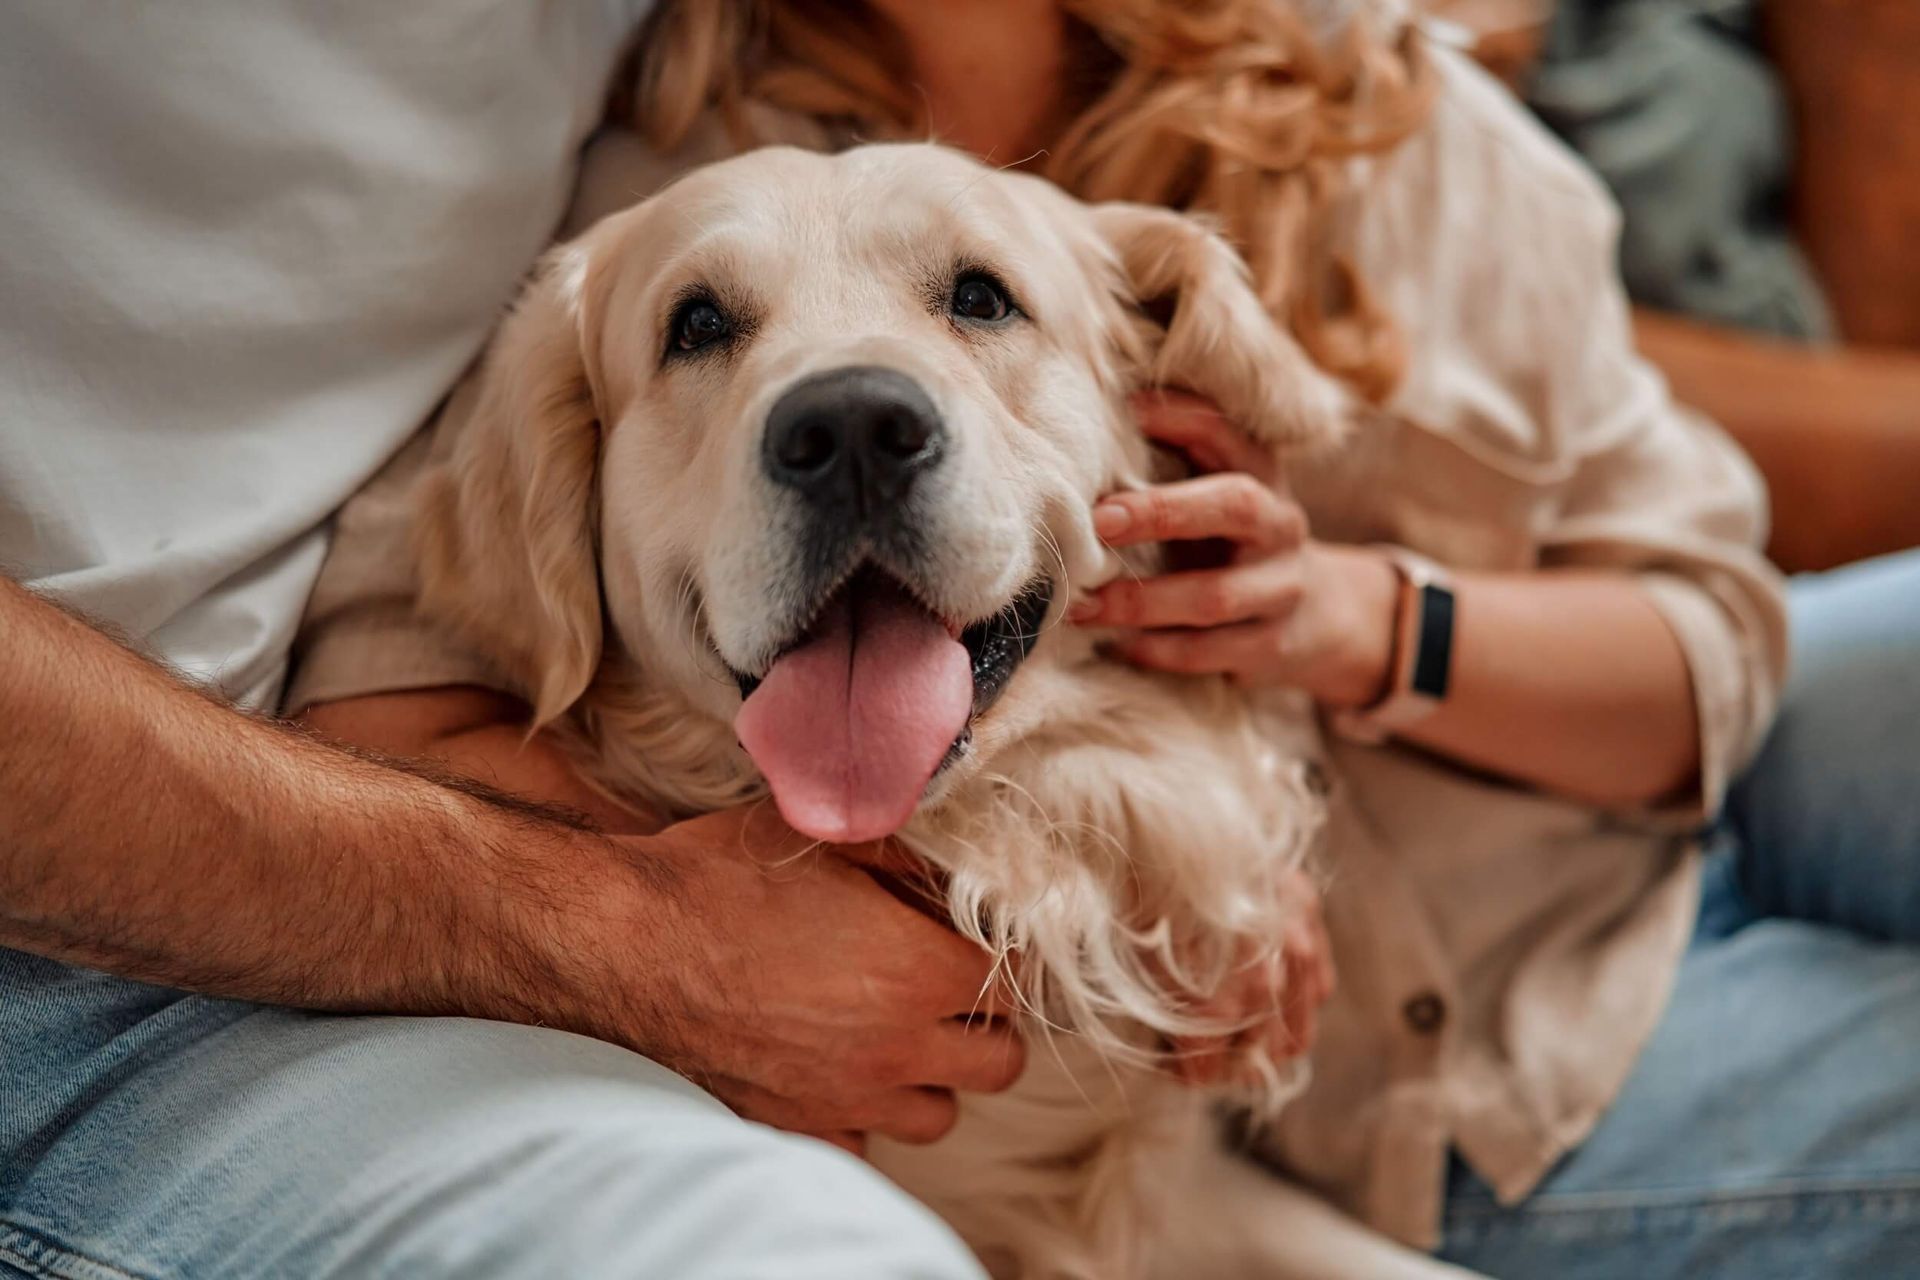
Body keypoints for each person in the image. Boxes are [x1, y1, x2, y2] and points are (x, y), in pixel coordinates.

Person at [291, 0, 1920, 1276]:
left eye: (977, 304)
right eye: (713, 332)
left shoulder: (1396, 118)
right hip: (1473, 1077)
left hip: (1677, 815)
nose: (853, 402)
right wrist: (675, 907)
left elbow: (1714, 644)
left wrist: (1351, 622)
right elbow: (390, 699)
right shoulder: (629, 162)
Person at [0, 6, 1012, 1278]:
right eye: (707, 328)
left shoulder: (682, 46)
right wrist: (654, 949)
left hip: (322, 967)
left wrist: (1331, 633)